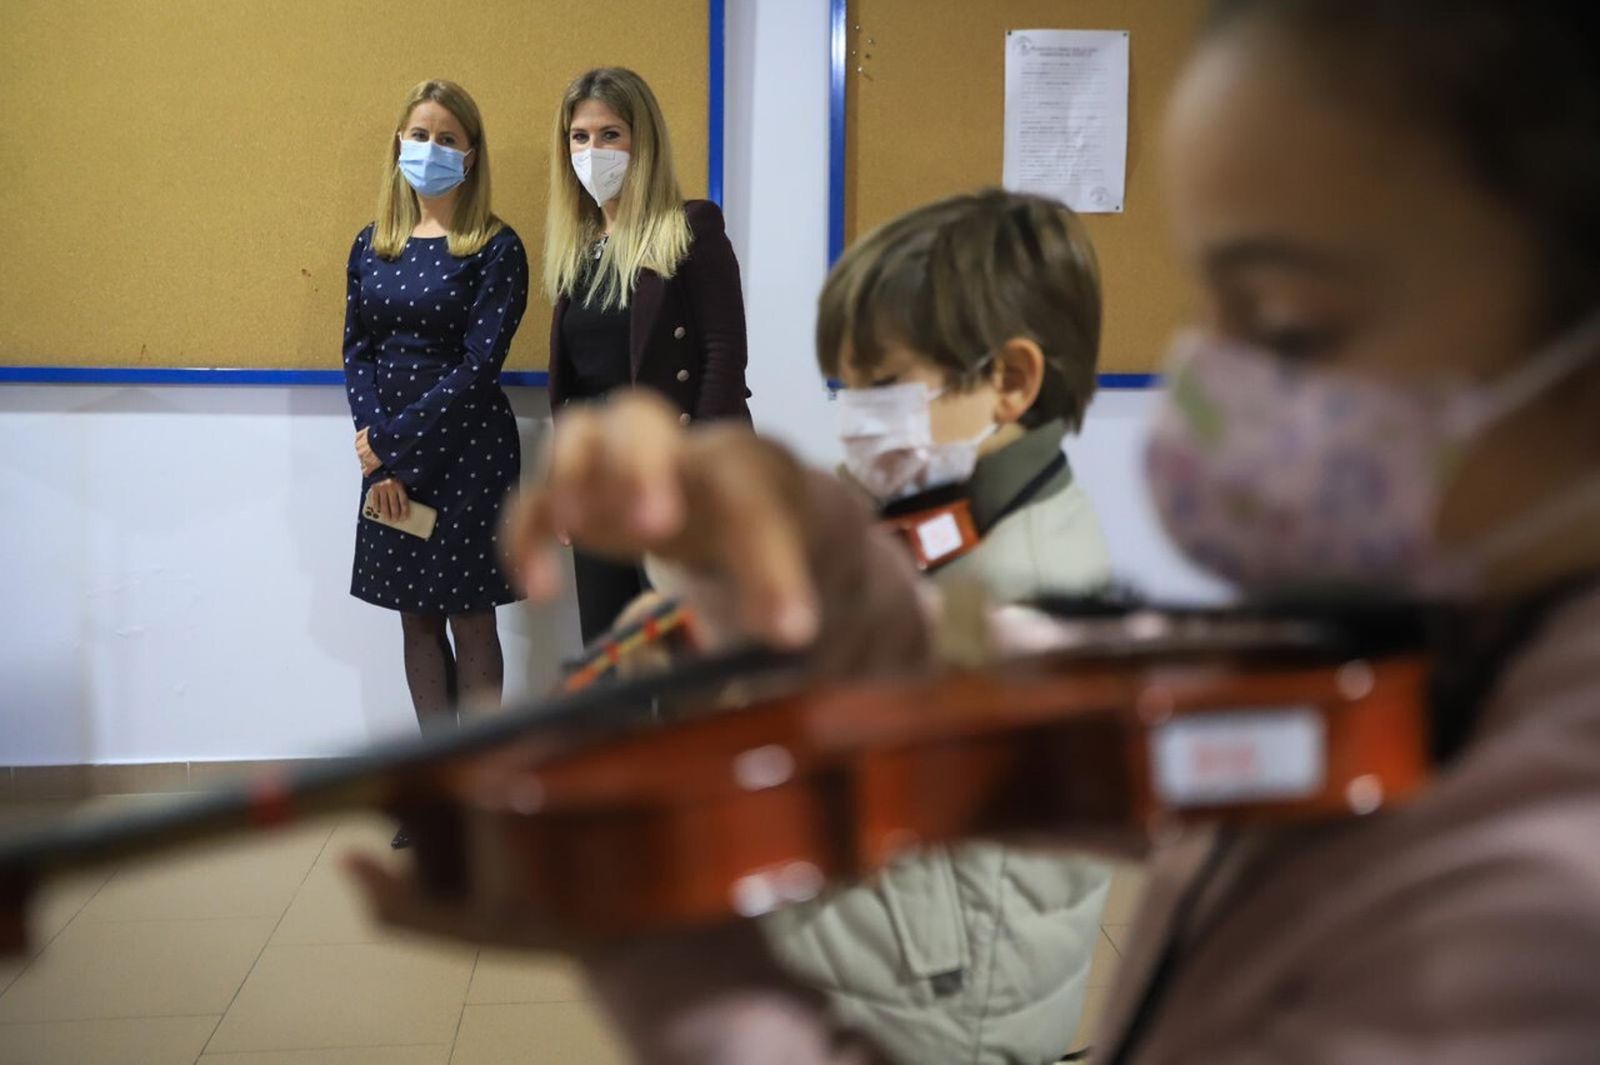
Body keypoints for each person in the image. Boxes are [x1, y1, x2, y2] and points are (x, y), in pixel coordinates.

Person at [355, 2, 1600, 1061]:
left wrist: (684, 976)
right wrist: (837, 572)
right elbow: (1102, 683)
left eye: (1284, 319)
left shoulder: (1528, 919)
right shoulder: (1423, 658)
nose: (1200, 372)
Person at [750, 189, 1113, 1064]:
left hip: (940, 999)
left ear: (1010, 381)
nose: (854, 413)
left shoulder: (1019, 583)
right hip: (905, 959)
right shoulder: (956, 498)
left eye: (882, 386)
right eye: (847, 383)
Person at [343, 80, 529, 847]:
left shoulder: (497, 246)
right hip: (384, 462)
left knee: (469, 615)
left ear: (471, 154)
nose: (432, 148)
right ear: (397, 143)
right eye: (420, 133)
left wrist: (394, 441)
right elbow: (357, 350)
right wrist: (373, 445)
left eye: (448, 137)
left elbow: (481, 364)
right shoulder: (371, 243)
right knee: (417, 617)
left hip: (468, 456)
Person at [542, 67, 751, 643]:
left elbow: (723, 358)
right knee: (612, 656)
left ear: (644, 141)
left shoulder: (691, 228)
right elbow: (577, 388)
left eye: (611, 134)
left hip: (677, 477)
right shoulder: (576, 251)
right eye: (580, 137)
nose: (593, 150)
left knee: (686, 662)